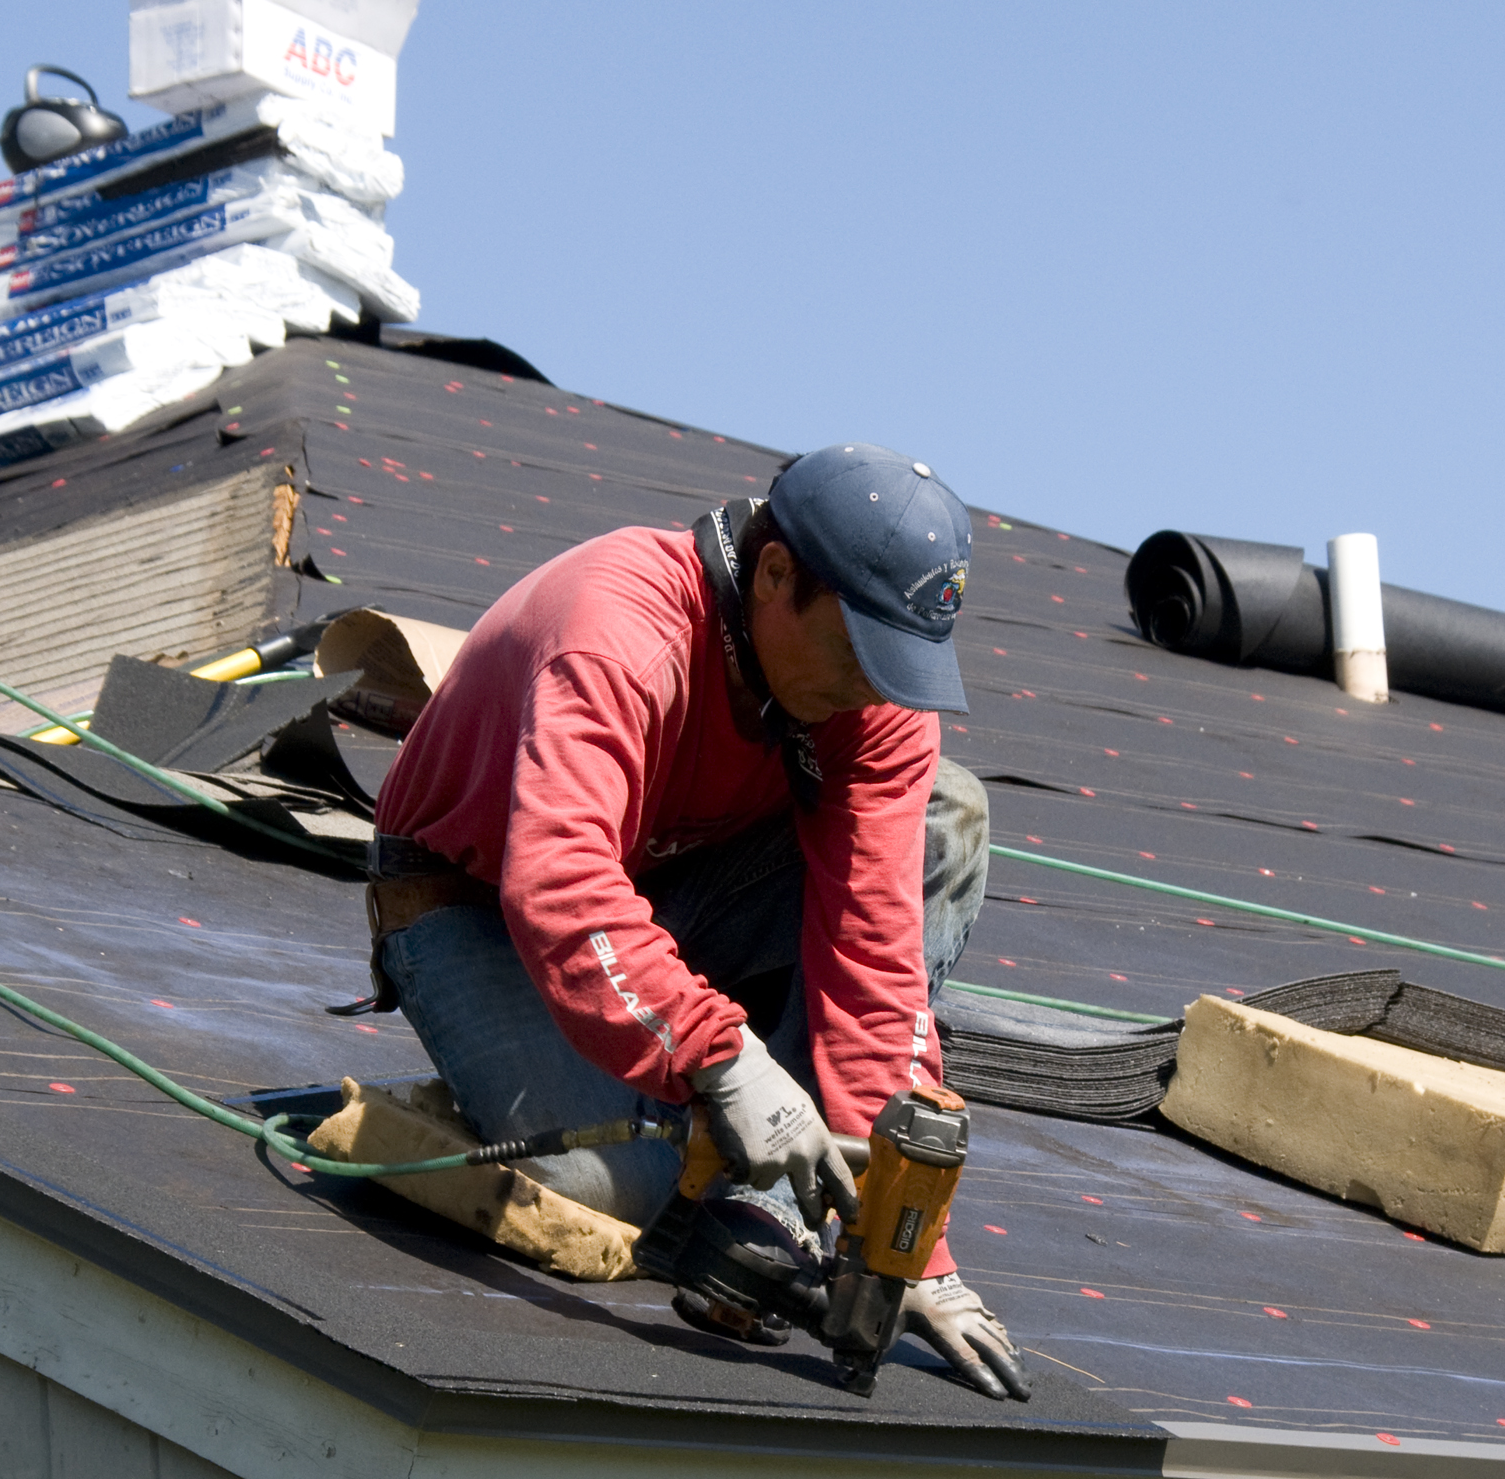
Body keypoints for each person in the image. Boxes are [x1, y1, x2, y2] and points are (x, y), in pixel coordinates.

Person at [362, 443, 1029, 1400]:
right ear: (773, 574)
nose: (874, 690)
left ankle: (767, 1199)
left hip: (663, 895)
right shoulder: (620, 630)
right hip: (475, 908)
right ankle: (577, 1112)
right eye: (859, 655)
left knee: (946, 812)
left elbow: (876, 966)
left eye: (898, 666)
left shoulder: (873, 691)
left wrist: (909, 1239)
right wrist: (722, 1058)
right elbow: (558, 886)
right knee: (620, 1190)